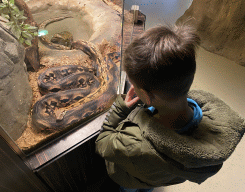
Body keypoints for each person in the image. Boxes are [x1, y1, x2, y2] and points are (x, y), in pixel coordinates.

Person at [95, 24, 245, 192]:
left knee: (131, 187)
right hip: (159, 175)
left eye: (134, 85)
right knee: (150, 181)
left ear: (147, 95)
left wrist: (119, 109)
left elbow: (103, 143)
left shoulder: (134, 141)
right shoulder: (211, 125)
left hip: (130, 177)